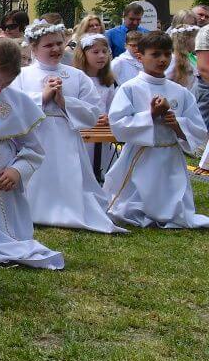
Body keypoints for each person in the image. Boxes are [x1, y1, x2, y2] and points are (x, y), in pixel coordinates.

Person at [0, 39, 64, 269]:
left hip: (3, 182)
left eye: (8, 82)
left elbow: (34, 148)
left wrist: (18, 170)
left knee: (7, 227)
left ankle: (7, 237)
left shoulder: (17, 99)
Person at [11, 21, 123, 234]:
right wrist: (41, 98)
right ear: (33, 48)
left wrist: (65, 102)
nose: (55, 49)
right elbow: (13, 105)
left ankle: (67, 207)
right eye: (48, 45)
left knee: (67, 173)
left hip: (66, 135)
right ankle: (33, 208)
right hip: (35, 134)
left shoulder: (76, 75)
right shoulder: (22, 75)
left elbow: (93, 111)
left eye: (58, 43)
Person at [103, 31, 209, 229]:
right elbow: (118, 123)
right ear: (140, 56)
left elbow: (199, 130)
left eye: (167, 54)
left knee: (172, 202)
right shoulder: (130, 89)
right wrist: (150, 115)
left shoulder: (180, 92)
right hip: (140, 154)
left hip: (170, 156)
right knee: (132, 204)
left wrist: (176, 123)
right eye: (156, 54)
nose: (163, 60)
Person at [73, 33, 117, 179]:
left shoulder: (108, 81)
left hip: (102, 134)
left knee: (101, 169)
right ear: (83, 55)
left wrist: (109, 118)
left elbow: (113, 107)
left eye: (105, 51)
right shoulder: (76, 79)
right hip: (83, 135)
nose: (101, 56)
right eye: (96, 52)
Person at [166, 17, 198, 89]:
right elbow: (166, 80)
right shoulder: (173, 59)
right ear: (185, 40)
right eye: (196, 38)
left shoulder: (192, 57)